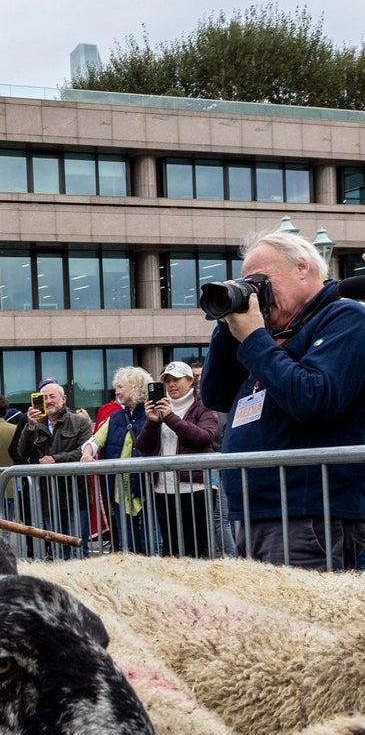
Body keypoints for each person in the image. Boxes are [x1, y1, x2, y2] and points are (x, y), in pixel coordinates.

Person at [202, 227, 365, 570]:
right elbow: (215, 394)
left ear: (303, 268)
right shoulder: (268, 335)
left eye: (260, 280)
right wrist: (230, 327)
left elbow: (314, 397)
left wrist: (255, 338)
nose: (255, 292)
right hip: (258, 511)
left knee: (301, 623)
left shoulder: (345, 317)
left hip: (309, 514)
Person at [134, 360, 220, 558]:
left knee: (198, 547)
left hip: (196, 486)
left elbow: (204, 437)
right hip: (164, 488)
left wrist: (170, 417)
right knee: (171, 547)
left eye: (177, 380)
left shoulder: (203, 405)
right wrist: (153, 422)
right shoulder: (160, 407)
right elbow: (143, 446)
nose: (172, 384)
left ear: (190, 381)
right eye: (168, 380)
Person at [13, 380, 93, 558]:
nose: (48, 401)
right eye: (44, 397)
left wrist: (55, 460)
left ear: (63, 399)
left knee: (78, 549)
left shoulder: (80, 422)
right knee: (57, 551)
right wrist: (30, 427)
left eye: (52, 396)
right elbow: (22, 452)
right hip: (48, 497)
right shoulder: (35, 424)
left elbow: (84, 450)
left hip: (75, 495)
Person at [82, 367, 150, 552]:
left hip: (148, 490)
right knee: (127, 546)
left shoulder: (153, 414)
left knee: (152, 545)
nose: (116, 391)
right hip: (120, 493)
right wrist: (87, 453)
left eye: (120, 387)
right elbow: (94, 441)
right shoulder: (115, 417)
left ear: (136, 387)